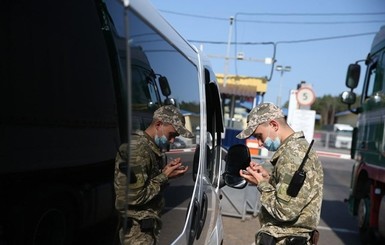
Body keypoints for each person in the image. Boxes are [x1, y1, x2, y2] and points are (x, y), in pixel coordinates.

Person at [237, 102, 323, 245]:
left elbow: (284, 211)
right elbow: (290, 193)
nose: (259, 143)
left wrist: (262, 184)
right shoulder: (295, 150)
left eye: (259, 136)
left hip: (285, 240)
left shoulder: (293, 156)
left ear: (274, 125)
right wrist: (268, 178)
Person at [114, 105, 193, 245]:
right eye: (172, 135)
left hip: (144, 229)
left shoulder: (149, 147)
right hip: (136, 233)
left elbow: (146, 183)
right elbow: (134, 197)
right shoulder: (137, 149)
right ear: (158, 124)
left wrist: (165, 173)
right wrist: (164, 177)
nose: (172, 141)